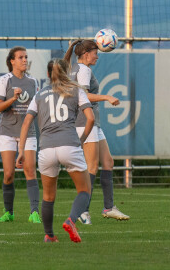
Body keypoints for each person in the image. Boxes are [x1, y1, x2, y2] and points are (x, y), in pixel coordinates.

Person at [16, 59, 94, 243]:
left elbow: (26, 122)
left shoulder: (39, 94)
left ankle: (49, 235)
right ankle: (71, 220)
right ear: (67, 72)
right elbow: (90, 119)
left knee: (48, 196)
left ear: (48, 74)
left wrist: (21, 150)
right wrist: (80, 140)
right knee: (84, 191)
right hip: (69, 145)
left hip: (46, 148)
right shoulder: (76, 90)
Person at [64, 39, 130, 224]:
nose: (97, 55)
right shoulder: (83, 69)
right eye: (95, 52)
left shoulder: (75, 67)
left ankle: (109, 207)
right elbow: (83, 96)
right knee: (91, 167)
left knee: (108, 162)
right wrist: (107, 97)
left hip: (92, 122)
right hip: (86, 121)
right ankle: (83, 211)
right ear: (86, 55)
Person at [0, 46, 41, 223]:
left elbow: (37, 106)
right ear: (12, 61)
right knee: (8, 173)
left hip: (27, 132)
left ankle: (34, 212)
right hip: (7, 131)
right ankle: (8, 213)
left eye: (26, 57)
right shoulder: (5, 80)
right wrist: (13, 99)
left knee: (30, 170)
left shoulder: (33, 82)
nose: (24, 60)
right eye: (20, 57)